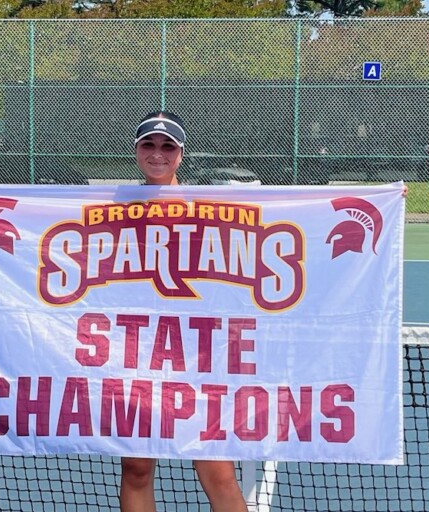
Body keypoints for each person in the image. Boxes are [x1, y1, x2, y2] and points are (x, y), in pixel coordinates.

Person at [119, 111, 249, 512]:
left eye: (167, 146)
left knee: (219, 474)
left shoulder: (208, 205)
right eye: (149, 145)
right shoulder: (114, 205)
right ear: (137, 150)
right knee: (137, 470)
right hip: (135, 355)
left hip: (198, 357)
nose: (158, 154)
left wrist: (376, 203)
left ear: (180, 153)